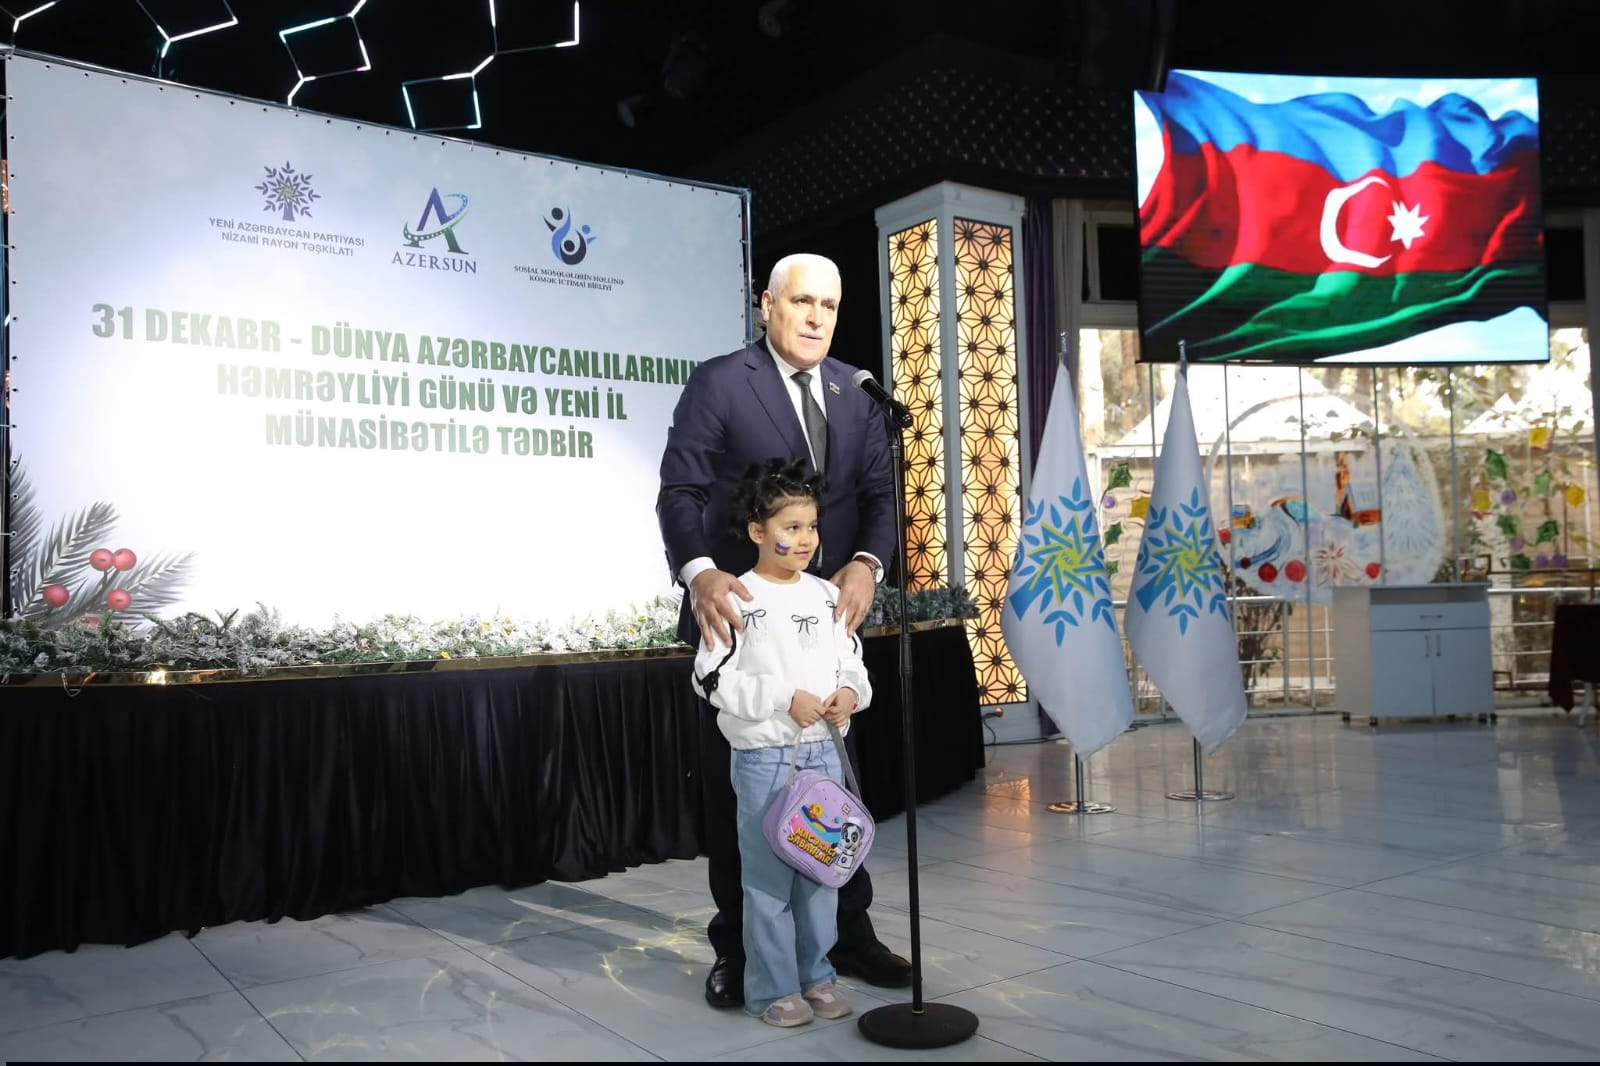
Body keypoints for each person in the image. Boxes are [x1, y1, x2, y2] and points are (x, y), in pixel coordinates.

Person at [657, 252, 911, 1007]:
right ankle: (741, 951)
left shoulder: (856, 391)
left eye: (828, 306)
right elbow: (680, 489)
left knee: (831, 794)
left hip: (826, 624)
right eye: (801, 302)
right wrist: (701, 573)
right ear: (766, 304)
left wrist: (866, 563)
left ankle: (844, 938)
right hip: (740, 618)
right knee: (744, 805)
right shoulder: (720, 382)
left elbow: (880, 496)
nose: (815, 318)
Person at [690, 459, 871, 1027]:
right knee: (768, 882)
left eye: (811, 526)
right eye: (791, 527)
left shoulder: (826, 594)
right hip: (765, 759)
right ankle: (772, 989)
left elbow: (853, 662)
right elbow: (711, 678)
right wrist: (782, 697)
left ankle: (817, 976)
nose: (805, 539)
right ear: (756, 530)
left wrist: (849, 693)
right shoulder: (737, 597)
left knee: (820, 873)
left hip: (825, 755)